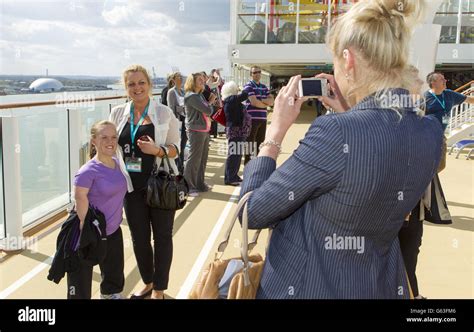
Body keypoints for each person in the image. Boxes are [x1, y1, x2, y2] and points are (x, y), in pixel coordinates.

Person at [239, 0, 444, 298]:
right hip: (378, 284)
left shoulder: (335, 132)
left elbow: (252, 212)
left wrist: (274, 134)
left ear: (348, 60)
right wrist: (350, 110)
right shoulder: (430, 131)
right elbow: (378, 147)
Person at [109, 64, 180, 299]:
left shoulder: (163, 113)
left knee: (162, 237)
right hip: (131, 187)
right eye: (131, 84)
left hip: (159, 186)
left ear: (149, 85)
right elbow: (109, 146)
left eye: (141, 83)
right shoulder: (117, 113)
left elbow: (176, 150)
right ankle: (148, 282)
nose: (137, 87)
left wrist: (157, 150)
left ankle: (160, 289)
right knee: (139, 239)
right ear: (125, 87)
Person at [67, 121, 127, 299]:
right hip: (89, 232)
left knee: (114, 275)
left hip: (113, 230)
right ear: (93, 141)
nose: (110, 141)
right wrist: (89, 229)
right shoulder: (87, 171)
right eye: (104, 137)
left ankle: (110, 295)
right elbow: (80, 198)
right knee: (80, 284)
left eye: (114, 137)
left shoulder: (118, 163)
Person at [183, 73, 216, 197]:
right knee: (194, 159)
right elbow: (207, 110)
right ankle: (188, 186)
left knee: (202, 158)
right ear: (193, 82)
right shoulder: (192, 96)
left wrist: (208, 105)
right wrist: (211, 102)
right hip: (196, 130)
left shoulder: (199, 95)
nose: (203, 81)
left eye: (203, 79)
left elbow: (206, 109)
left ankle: (200, 184)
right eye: (200, 79)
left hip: (203, 129)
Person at [243, 66, 274, 165]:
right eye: (255, 72)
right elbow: (254, 102)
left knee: (260, 143)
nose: (257, 74)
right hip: (252, 119)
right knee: (249, 143)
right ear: (251, 74)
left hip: (262, 119)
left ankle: (256, 165)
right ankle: (247, 165)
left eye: (259, 72)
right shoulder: (248, 86)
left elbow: (272, 102)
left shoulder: (264, 87)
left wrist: (261, 101)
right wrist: (265, 103)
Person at [221, 81, 251, 185]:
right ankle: (230, 178)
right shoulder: (230, 99)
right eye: (236, 88)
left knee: (237, 155)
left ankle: (233, 176)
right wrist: (243, 88)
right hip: (235, 131)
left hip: (238, 131)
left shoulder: (231, 100)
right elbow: (245, 94)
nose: (237, 90)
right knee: (234, 155)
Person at [167, 72, 187, 172]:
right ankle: (176, 168)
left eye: (181, 77)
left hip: (185, 121)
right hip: (177, 122)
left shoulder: (183, 91)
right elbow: (171, 109)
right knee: (178, 145)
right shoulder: (171, 92)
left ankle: (181, 167)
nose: (181, 79)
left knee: (183, 145)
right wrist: (181, 109)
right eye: (179, 77)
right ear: (174, 79)